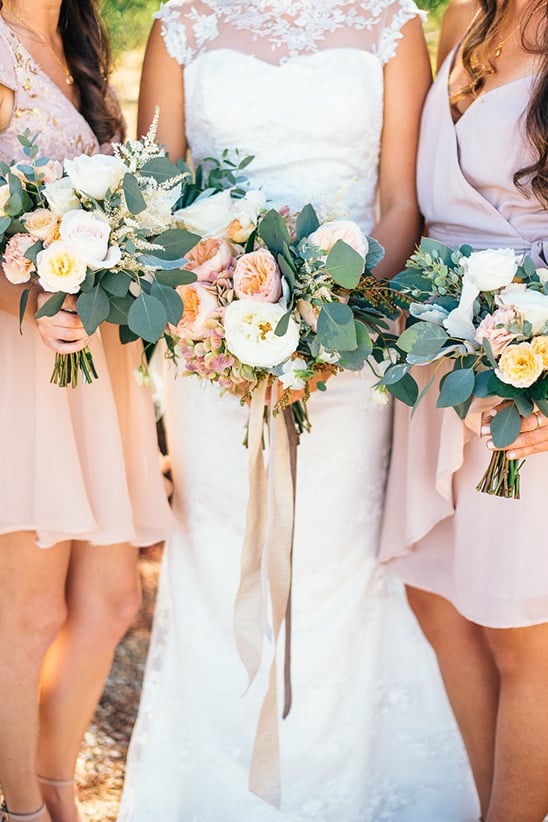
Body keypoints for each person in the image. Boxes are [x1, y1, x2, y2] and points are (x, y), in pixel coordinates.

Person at [119, 2, 480, 820]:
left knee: (340, 563)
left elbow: (398, 203)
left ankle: (340, 793)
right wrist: (217, 300)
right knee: (218, 553)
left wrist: (325, 313)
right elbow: (157, 192)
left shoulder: (392, 25)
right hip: (213, 346)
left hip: (347, 345)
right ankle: (212, 796)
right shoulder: (183, 25)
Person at [0, 2, 174, 821]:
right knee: (27, 612)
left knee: (109, 602)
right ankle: (26, 809)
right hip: (22, 353)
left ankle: (54, 787)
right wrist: (32, 295)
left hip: (93, 357)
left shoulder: (75, 44)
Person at [379, 0, 548, 820]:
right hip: (440, 352)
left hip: (528, 367)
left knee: (524, 631)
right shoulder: (460, 22)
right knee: (440, 597)